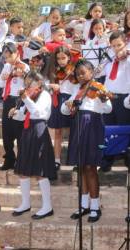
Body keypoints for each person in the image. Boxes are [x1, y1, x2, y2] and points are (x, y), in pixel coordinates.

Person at [61, 59, 112, 222]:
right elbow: (63, 110)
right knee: (81, 166)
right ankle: (84, 205)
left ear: (92, 72)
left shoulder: (98, 88)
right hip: (78, 126)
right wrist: (68, 104)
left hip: (93, 125)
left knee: (90, 167)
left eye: (84, 73)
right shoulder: (76, 88)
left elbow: (108, 108)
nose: (81, 76)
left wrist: (104, 98)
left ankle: (95, 207)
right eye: (78, 74)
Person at [11, 71, 56, 219]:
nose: (27, 86)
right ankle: (25, 203)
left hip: (38, 131)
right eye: (26, 84)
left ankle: (47, 206)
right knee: (23, 169)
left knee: (39, 171)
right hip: (27, 131)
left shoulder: (44, 95)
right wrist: (15, 113)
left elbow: (38, 113)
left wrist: (25, 99)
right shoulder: (30, 96)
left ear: (39, 83)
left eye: (30, 83)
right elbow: (24, 115)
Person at [100, 31, 130, 172]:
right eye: (113, 46)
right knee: (108, 129)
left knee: (124, 128)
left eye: (119, 45)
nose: (117, 48)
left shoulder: (128, 58)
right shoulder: (110, 59)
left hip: (124, 98)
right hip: (109, 97)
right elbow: (106, 77)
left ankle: (126, 157)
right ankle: (107, 159)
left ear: (125, 43)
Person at [0, 42, 29, 171]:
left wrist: (23, 75)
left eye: (10, 56)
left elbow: (30, 82)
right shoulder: (6, 67)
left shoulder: (24, 66)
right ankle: (9, 158)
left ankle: (22, 160)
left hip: (18, 100)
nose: (8, 60)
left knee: (18, 131)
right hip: (7, 99)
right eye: (6, 57)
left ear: (17, 53)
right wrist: (4, 78)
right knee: (6, 132)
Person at [48, 46, 79, 170]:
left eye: (64, 58)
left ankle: (75, 159)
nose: (61, 61)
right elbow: (45, 83)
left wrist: (72, 75)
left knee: (74, 131)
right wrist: (52, 85)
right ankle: (56, 160)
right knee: (58, 131)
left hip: (70, 99)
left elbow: (77, 86)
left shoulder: (74, 71)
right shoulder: (53, 71)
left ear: (69, 58)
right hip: (57, 99)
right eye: (58, 59)